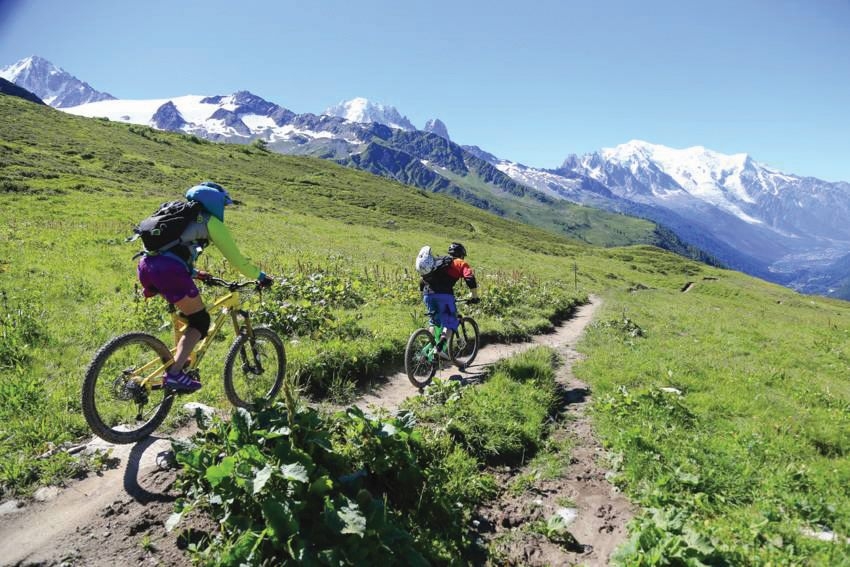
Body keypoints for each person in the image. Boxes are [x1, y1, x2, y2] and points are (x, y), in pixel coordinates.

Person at [136, 181, 273, 392]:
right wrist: (261, 276)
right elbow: (237, 260)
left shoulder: (177, 214)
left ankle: (180, 360)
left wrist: (195, 273)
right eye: (223, 205)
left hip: (146, 267)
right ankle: (175, 373)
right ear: (215, 202)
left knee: (189, 315)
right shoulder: (210, 221)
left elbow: (169, 249)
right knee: (201, 321)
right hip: (168, 271)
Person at [419, 242, 480, 359]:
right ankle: (439, 347)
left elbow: (422, 280)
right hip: (444, 295)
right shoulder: (460, 263)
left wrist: (422, 294)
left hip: (428, 294)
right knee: (451, 321)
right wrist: (474, 296)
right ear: (462, 255)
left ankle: (429, 347)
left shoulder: (438, 261)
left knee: (434, 321)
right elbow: (470, 278)